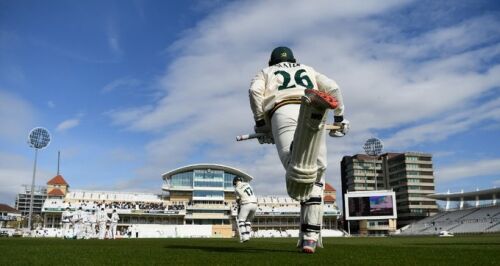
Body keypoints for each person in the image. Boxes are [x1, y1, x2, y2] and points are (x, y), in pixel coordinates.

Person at [248, 46, 348, 253]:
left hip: (281, 111)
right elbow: (334, 87)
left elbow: (255, 91)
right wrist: (339, 117)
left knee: (296, 168)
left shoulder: (266, 72)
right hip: (310, 105)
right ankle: (310, 237)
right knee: (317, 174)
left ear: (271, 62)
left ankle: (298, 147)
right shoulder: (308, 69)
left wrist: (261, 124)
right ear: (295, 60)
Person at [233, 176, 257, 243]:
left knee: (241, 221)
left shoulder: (237, 188)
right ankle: (248, 235)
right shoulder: (247, 184)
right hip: (255, 204)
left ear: (235, 182)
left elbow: (238, 199)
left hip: (246, 203)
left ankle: (244, 236)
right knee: (248, 220)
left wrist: (238, 202)